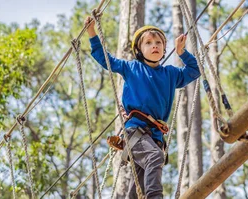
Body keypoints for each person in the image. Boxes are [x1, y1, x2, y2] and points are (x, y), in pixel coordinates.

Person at [85, 15, 200, 199]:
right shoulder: (131, 68)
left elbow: (194, 71)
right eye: (148, 43)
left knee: (137, 190)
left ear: (164, 49)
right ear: (139, 49)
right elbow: (104, 58)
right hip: (135, 132)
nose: (154, 45)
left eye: (158, 42)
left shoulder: (170, 74)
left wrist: (182, 52)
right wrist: (92, 33)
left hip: (154, 137)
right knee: (155, 158)